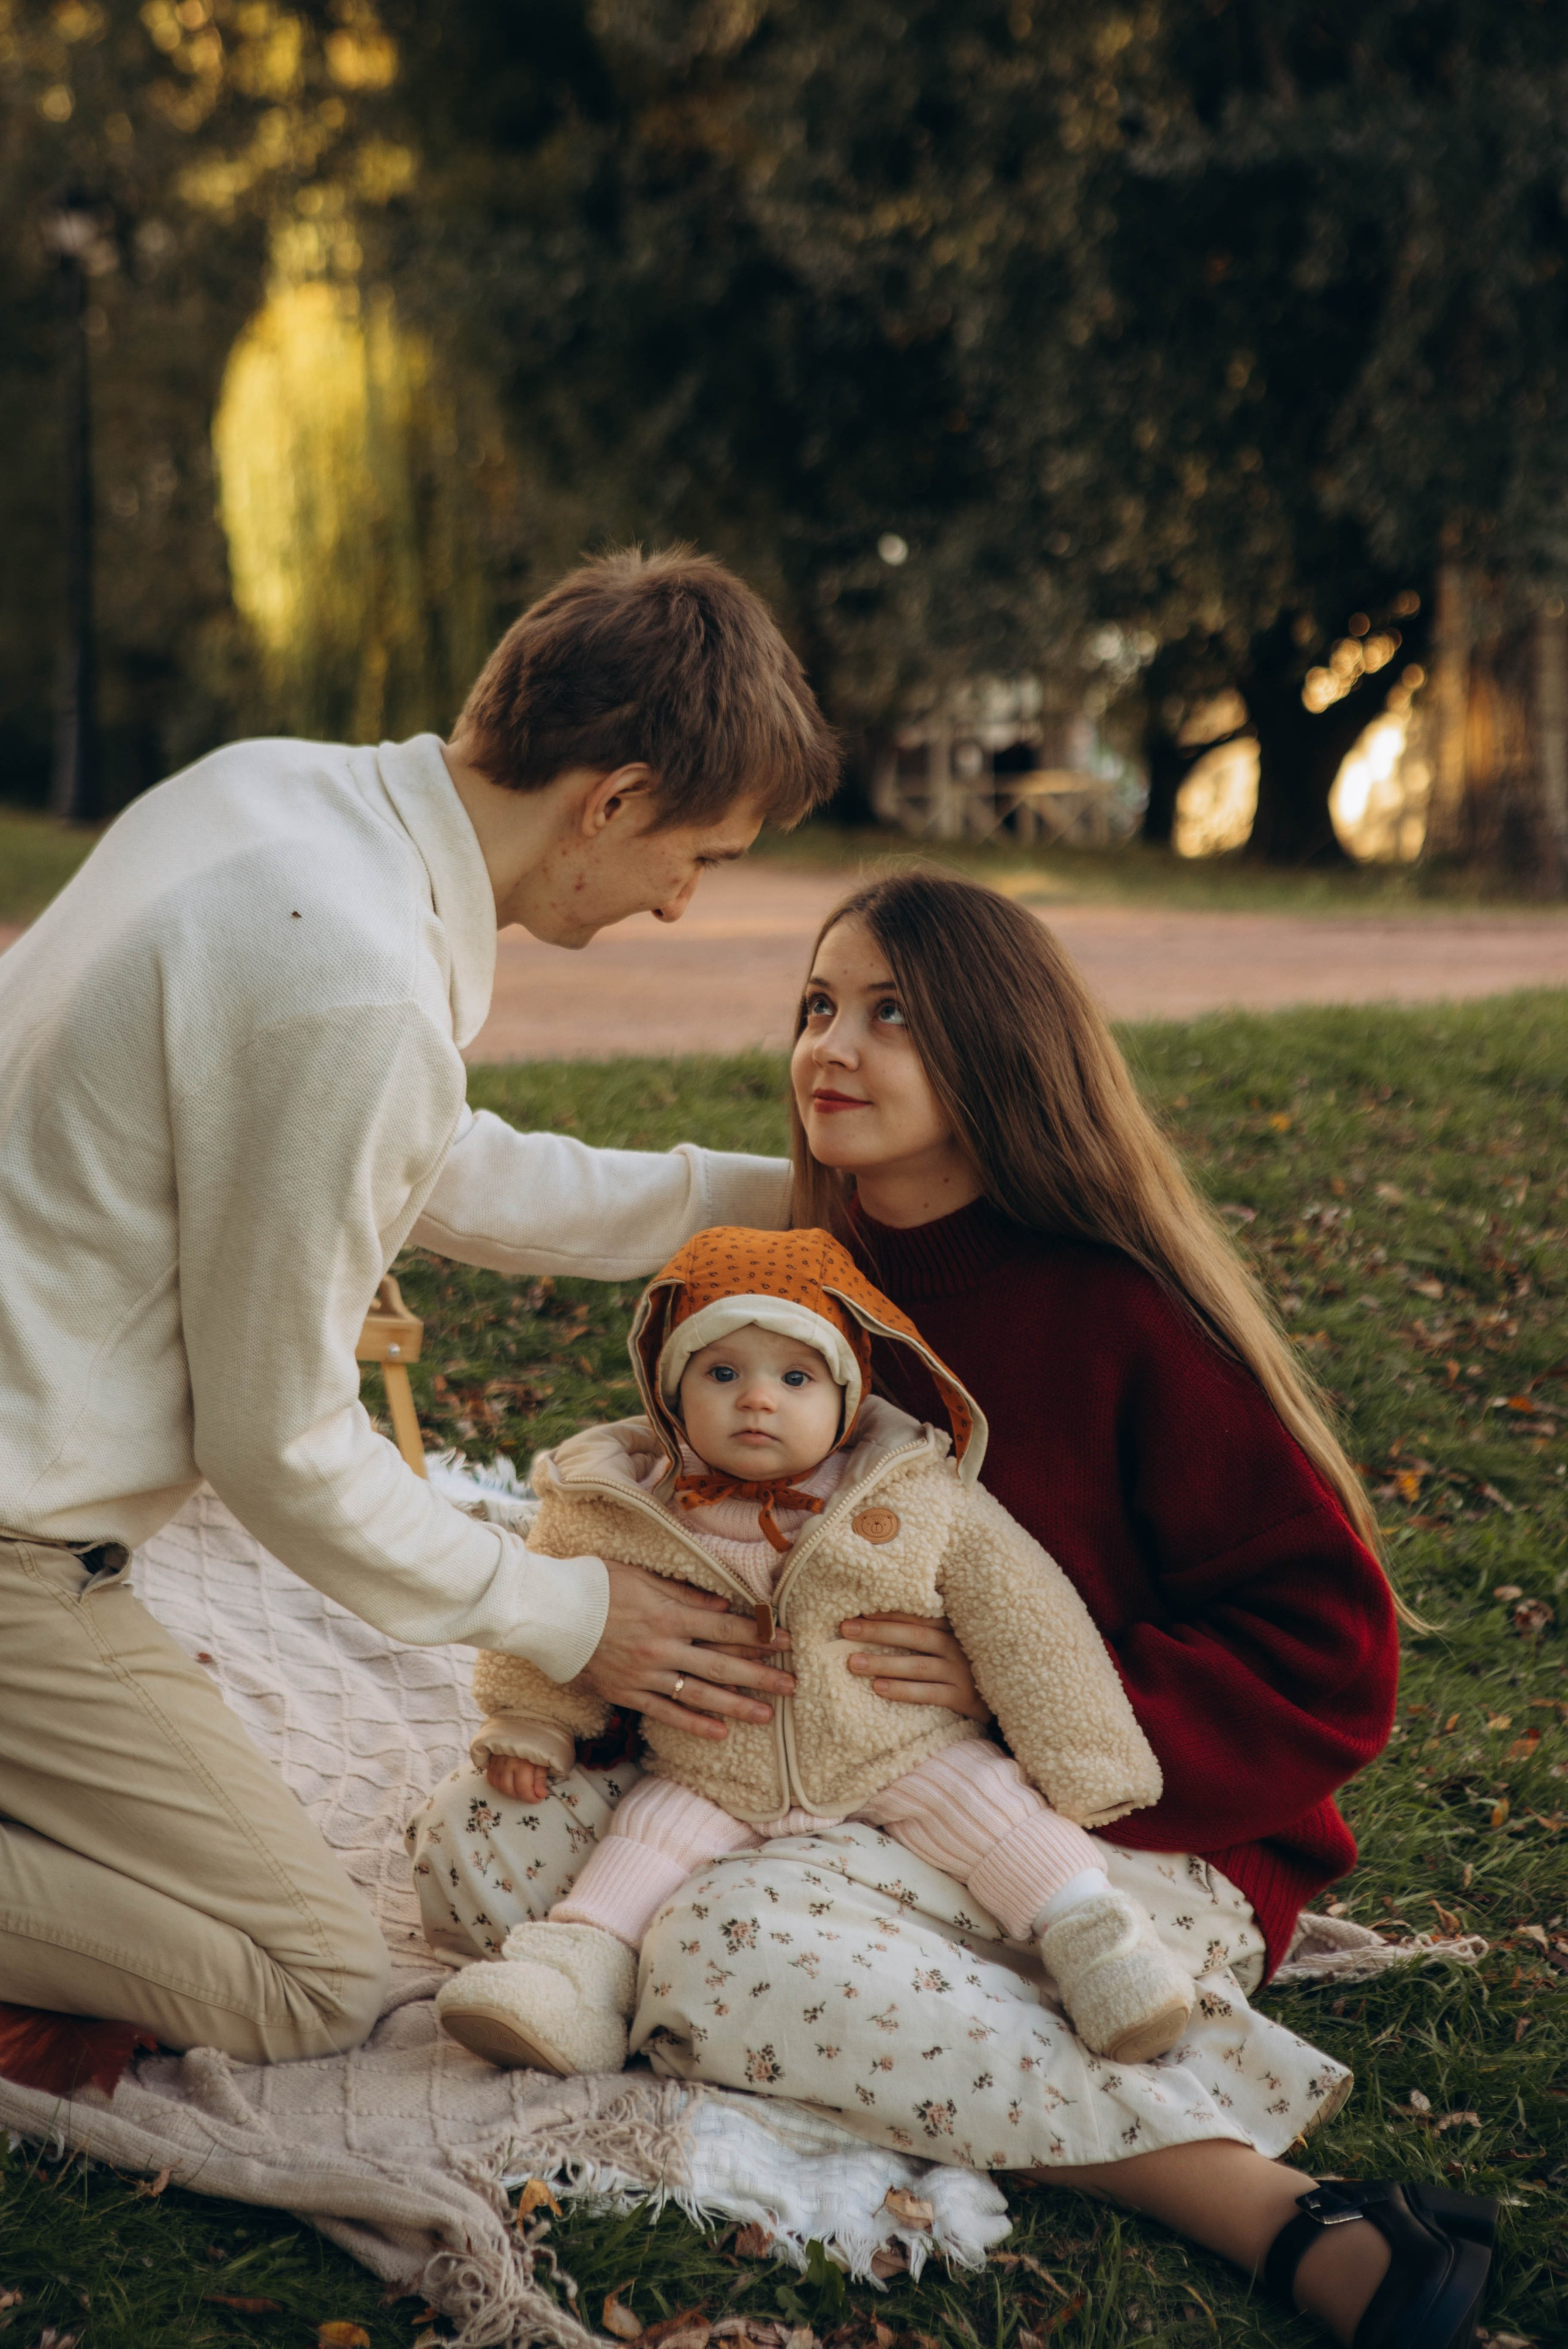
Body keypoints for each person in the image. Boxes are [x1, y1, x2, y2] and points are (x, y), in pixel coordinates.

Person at [415, 871, 1490, 2349]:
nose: (828, 1049)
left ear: (997, 1047)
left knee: (722, 1937)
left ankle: (1259, 2204)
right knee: (487, 1841)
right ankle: (854, 1991)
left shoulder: (1113, 1312)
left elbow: (1329, 1652)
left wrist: (1009, 1690)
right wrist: (646, 1678)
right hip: (803, 1786)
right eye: (814, 1006)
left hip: (1115, 1834)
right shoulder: (805, 1292)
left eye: (890, 1014)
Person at [0, 547, 842, 2067]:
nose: (675, 903)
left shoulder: (274, 796)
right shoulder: (358, 988)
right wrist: (568, 1614)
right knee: (310, 1980)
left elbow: (426, 1165)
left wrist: (784, 1205)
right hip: (14, 1531)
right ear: (613, 800)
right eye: (699, 857)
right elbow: (282, 1449)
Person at [426, 1224, 1194, 2076]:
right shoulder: (624, 1504)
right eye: (722, 1374)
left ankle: (1105, 1952)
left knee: (999, 1813)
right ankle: (565, 1982)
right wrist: (534, 1719)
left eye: (794, 1378)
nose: (758, 1401)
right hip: (711, 1764)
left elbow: (1030, 1621)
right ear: (671, 1392)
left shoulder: (913, 1492)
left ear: (849, 1393)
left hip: (896, 1743)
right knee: (638, 1848)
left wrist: (1086, 1756)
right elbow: (563, 1601)